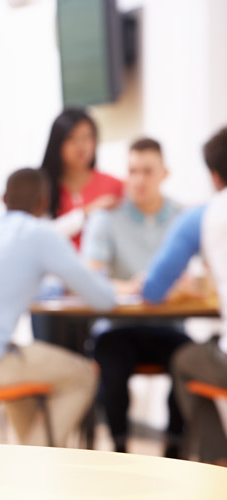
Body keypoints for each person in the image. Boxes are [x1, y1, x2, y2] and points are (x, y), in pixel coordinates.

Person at [0, 168, 114, 447]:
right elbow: (102, 299)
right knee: (83, 374)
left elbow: (11, 281)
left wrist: (54, 288)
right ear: (44, 203)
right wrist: (120, 286)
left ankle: (30, 460)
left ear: (3, 198)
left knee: (22, 377)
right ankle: (36, 464)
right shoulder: (40, 234)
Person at [81, 137, 189, 457]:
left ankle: (175, 450)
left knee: (188, 361)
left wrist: (181, 286)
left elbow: (201, 278)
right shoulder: (107, 218)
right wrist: (131, 287)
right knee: (110, 361)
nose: (138, 180)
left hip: (168, 328)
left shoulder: (183, 218)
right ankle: (119, 447)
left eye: (147, 171)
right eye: (132, 171)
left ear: (164, 174)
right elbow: (90, 276)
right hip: (118, 328)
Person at [141, 126, 227, 464]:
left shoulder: (203, 216)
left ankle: (217, 464)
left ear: (214, 175)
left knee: (185, 361)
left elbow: (152, 289)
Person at [39, 108, 124, 248]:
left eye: (87, 137)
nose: (81, 145)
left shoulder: (115, 186)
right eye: (71, 138)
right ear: (57, 142)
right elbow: (39, 236)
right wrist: (86, 213)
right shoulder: (43, 189)